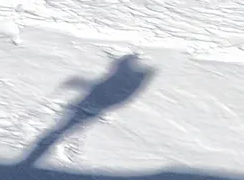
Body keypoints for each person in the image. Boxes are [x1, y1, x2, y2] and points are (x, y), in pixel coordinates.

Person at [19, 53, 155, 166]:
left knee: (64, 127)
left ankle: (41, 150)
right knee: (65, 125)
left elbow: (106, 91)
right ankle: (47, 145)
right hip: (93, 104)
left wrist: (79, 85)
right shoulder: (129, 80)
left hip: (94, 105)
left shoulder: (127, 81)